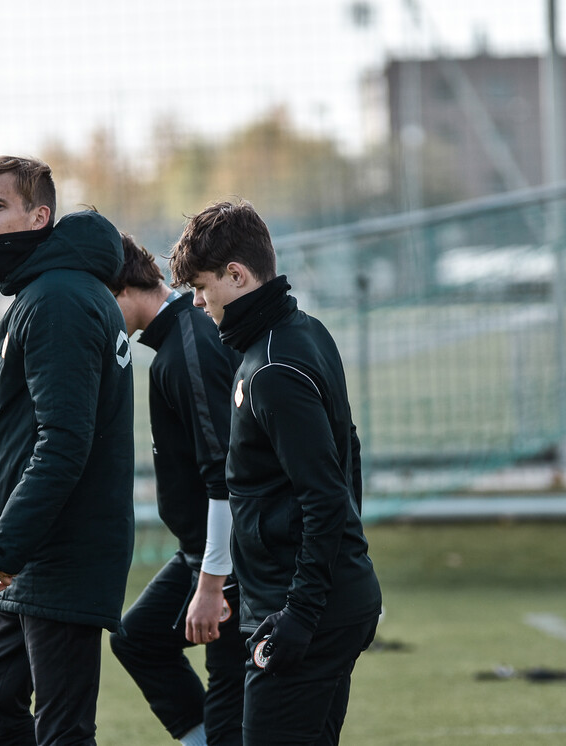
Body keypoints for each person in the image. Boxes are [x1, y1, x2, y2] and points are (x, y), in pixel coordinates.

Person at [168, 200, 382, 745]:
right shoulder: (299, 331)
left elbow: (325, 495)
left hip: (308, 611)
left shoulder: (271, 369)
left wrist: (301, 613)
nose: (197, 302)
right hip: (318, 599)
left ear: (236, 276)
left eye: (201, 286)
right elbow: (346, 454)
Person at [0, 155, 136, 746]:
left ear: (40, 216)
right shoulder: (48, 292)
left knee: (64, 732)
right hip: (43, 552)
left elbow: (64, 441)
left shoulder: (59, 300)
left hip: (63, 548)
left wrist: (10, 543)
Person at [105, 233, 246, 746]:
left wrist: (215, 585)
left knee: (232, 700)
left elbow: (225, 476)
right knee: (138, 639)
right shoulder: (173, 342)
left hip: (231, 561)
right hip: (200, 553)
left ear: (120, 288)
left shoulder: (189, 345)